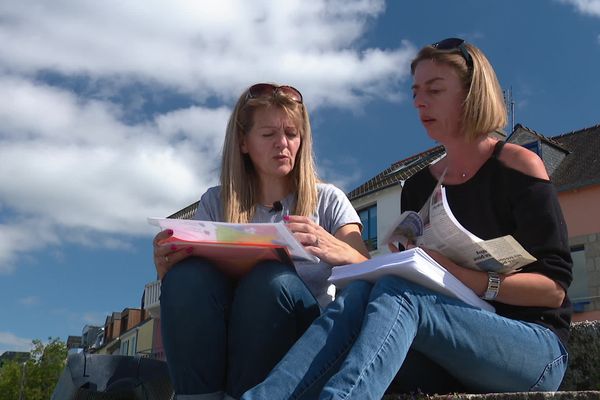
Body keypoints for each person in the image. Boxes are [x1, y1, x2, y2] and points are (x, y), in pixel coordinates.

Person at [241, 38, 573, 399]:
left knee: (398, 292)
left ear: (471, 93)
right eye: (415, 91)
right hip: (444, 348)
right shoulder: (419, 186)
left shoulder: (517, 165)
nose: (419, 101)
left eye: (434, 89)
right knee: (364, 294)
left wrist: (458, 274)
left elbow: (553, 291)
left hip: (531, 349)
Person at [152, 82, 370, 400]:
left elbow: (371, 273)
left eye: (292, 134)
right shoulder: (216, 202)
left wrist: (337, 248)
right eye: (268, 135)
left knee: (272, 281)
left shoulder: (329, 200)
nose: (282, 144)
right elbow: (193, 295)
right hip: (226, 336)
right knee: (186, 277)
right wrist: (168, 269)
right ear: (243, 143)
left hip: (298, 339)